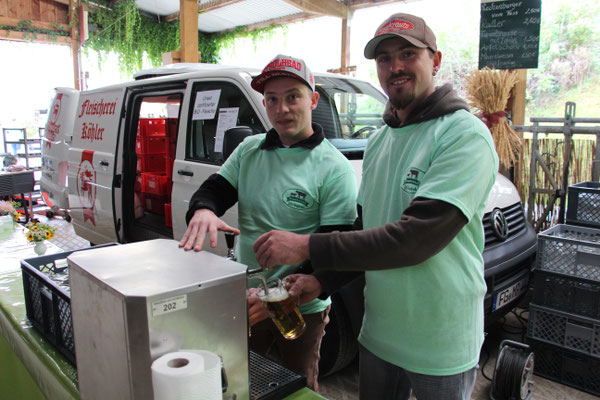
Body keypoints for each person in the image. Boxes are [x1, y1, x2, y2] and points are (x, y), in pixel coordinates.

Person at [253, 13, 499, 400]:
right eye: (384, 58)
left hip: (440, 339)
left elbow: (414, 239)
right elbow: (365, 230)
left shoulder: (463, 134)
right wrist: (323, 280)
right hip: (380, 333)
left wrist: (306, 246)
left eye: (407, 54)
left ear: (435, 61)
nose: (395, 66)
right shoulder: (382, 140)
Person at [178, 54, 357, 391]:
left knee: (298, 387)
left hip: (303, 307)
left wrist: (280, 294)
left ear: (313, 100)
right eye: (272, 99)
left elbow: (336, 246)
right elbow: (215, 190)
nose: (282, 108)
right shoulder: (249, 150)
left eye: (293, 97)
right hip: (247, 298)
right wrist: (203, 209)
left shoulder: (335, 169)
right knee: (239, 380)